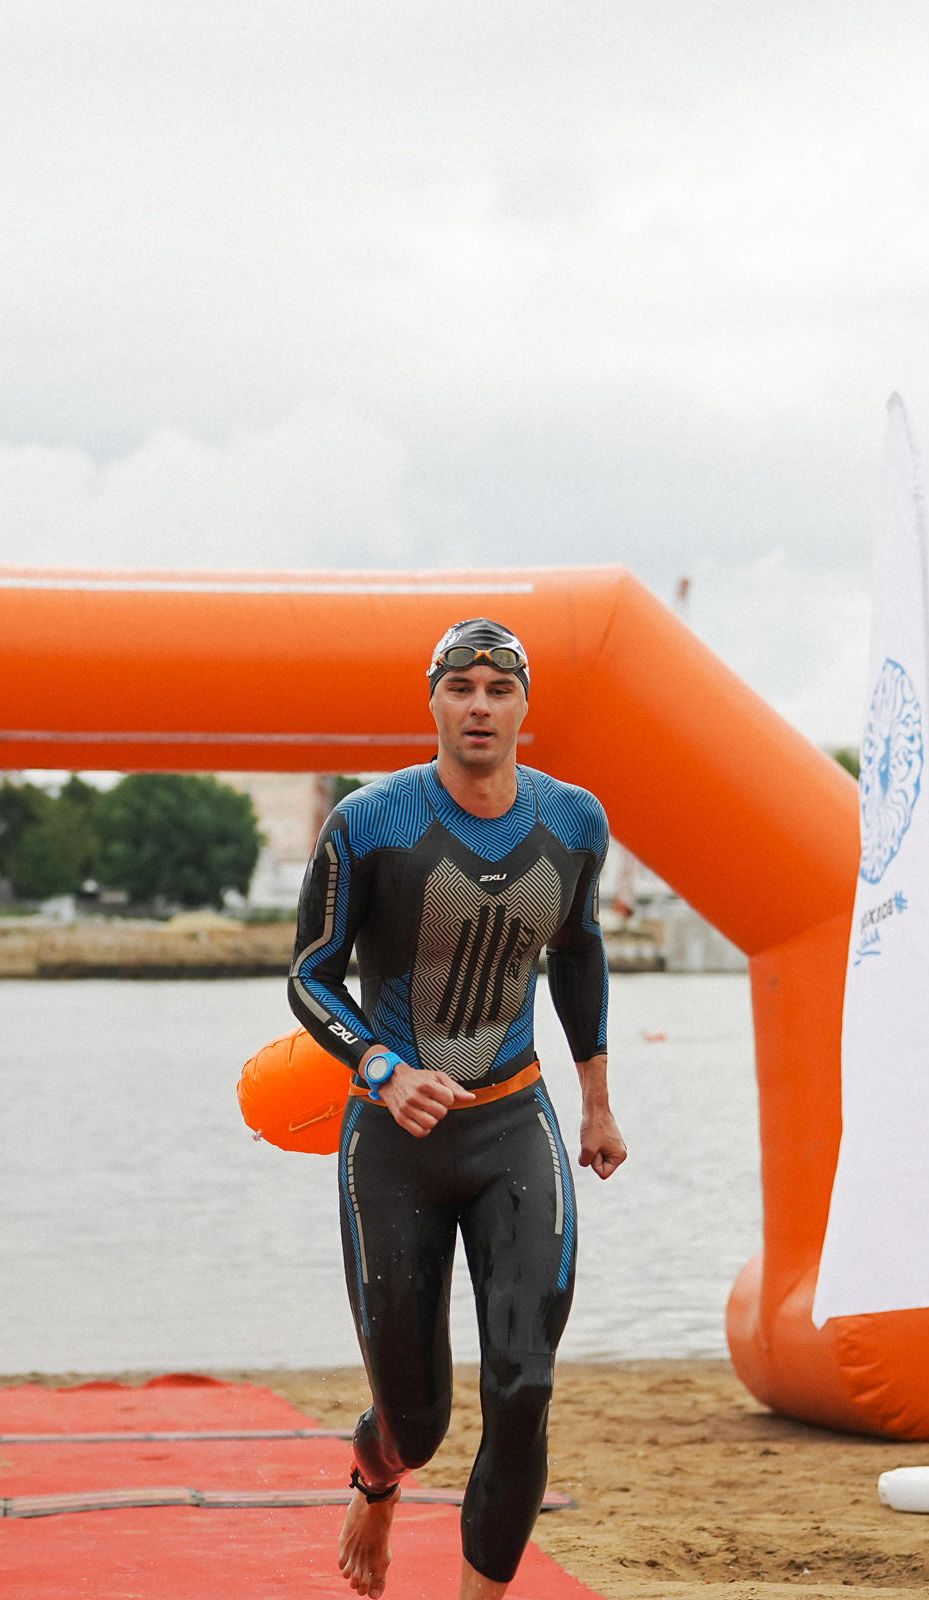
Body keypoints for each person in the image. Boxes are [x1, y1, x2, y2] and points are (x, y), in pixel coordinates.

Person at [287, 617, 627, 1600]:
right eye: (462, 685)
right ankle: (376, 1476)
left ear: (526, 705)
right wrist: (382, 1066)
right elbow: (311, 978)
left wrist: (597, 1102)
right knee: (417, 1418)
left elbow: (580, 951)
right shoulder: (370, 820)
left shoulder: (575, 822)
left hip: (514, 1126)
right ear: (433, 700)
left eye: (499, 686)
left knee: (523, 1386)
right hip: (395, 1141)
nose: (480, 704)